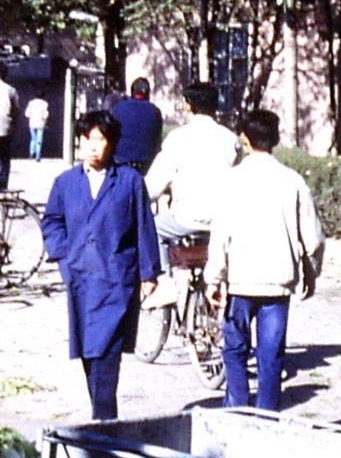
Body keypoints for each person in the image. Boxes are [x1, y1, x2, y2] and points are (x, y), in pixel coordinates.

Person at [40, 110, 160, 420]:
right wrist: (63, 254)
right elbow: (52, 221)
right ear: (79, 143)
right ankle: (102, 419)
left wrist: (148, 272)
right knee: (89, 354)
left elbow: (144, 226)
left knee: (107, 355)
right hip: (80, 278)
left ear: (112, 144)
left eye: (102, 140)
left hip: (117, 279)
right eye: (89, 140)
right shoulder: (65, 183)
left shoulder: (130, 181)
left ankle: (104, 423)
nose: (95, 147)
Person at [207, 109, 323, 412]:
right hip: (278, 283)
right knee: (270, 356)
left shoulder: (230, 180)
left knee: (234, 350)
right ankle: (266, 415)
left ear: (244, 139)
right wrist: (311, 275)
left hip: (240, 281)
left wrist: (214, 277)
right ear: (275, 139)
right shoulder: (293, 180)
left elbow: (220, 235)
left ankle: (236, 408)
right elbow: (313, 239)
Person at [145, 82, 238, 242]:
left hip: (186, 219)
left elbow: (154, 185)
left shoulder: (177, 138)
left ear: (187, 104)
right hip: (223, 220)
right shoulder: (231, 139)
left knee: (151, 230)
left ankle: (162, 268)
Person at [110, 77, 164, 175]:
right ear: (148, 93)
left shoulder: (117, 109)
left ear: (132, 91)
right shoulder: (155, 112)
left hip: (120, 163)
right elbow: (157, 140)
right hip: (146, 166)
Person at [24, 94, 50, 160]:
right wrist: (46, 122)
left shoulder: (31, 103)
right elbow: (46, 115)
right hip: (40, 123)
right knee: (39, 140)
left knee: (33, 139)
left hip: (32, 123)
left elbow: (27, 114)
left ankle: (31, 153)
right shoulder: (45, 104)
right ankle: (38, 156)